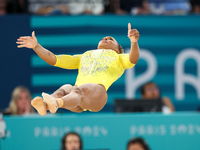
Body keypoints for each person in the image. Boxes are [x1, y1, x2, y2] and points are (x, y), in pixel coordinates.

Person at [16, 23, 140, 116]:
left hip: (97, 95)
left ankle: (56, 104)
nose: (106, 38)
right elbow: (54, 59)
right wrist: (36, 46)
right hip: (76, 99)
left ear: (117, 50)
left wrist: (134, 43)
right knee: (65, 88)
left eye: (110, 39)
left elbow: (133, 59)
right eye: (104, 37)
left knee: (78, 90)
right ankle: (45, 105)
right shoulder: (85, 56)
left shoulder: (118, 57)